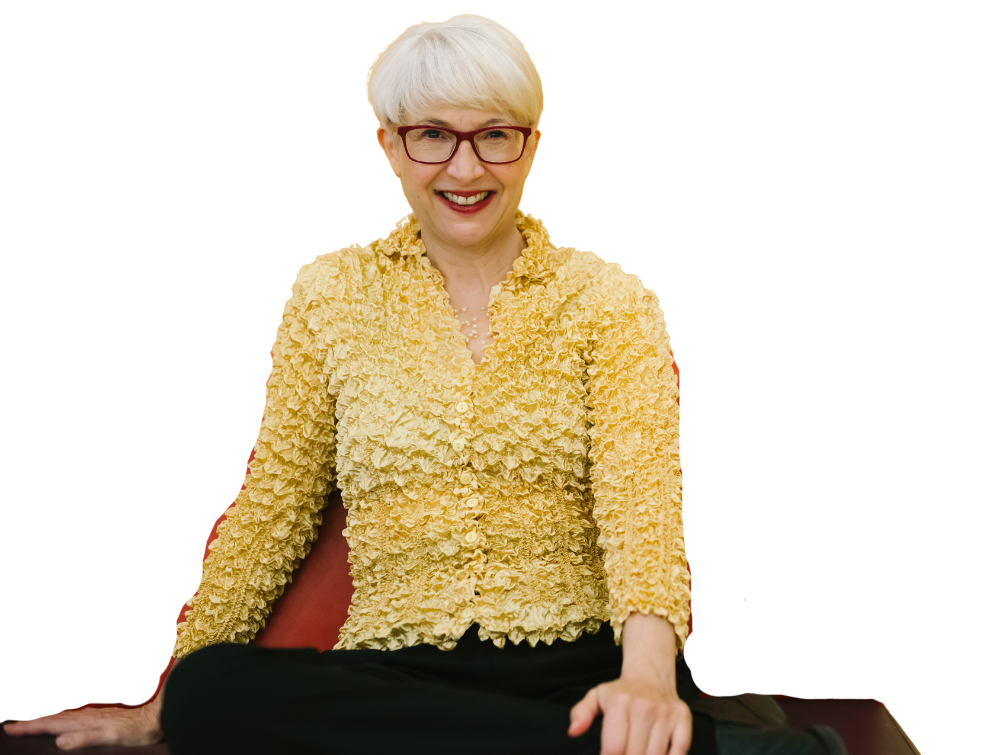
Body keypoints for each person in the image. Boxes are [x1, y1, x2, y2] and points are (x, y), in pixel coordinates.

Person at [2, 15, 848, 755]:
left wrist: (650, 679)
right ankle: (719, 752)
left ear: (534, 144)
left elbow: (643, 503)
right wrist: (163, 702)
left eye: (495, 134)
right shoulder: (329, 294)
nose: (464, 165)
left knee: (597, 708)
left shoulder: (610, 300)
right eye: (431, 134)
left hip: (578, 664)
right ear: (388, 144)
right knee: (208, 692)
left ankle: (616, 730)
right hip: (394, 668)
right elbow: (273, 508)